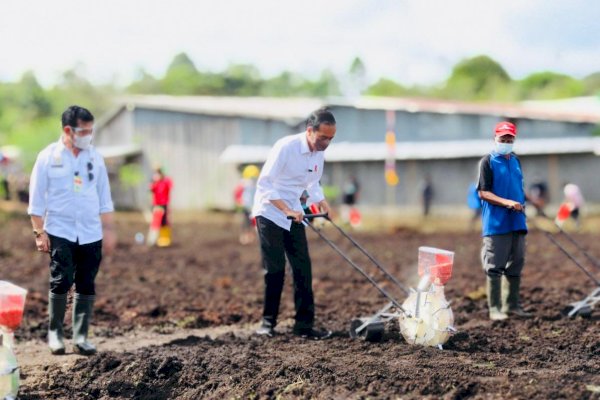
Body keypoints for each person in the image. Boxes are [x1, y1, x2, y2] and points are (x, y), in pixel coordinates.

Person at [28, 105, 117, 355]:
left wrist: (109, 229)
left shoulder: (94, 157)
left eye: (91, 130)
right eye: (84, 130)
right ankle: (56, 333)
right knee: (61, 280)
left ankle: (80, 336)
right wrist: (38, 232)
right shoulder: (47, 157)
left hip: (91, 231)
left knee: (86, 283)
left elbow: (104, 197)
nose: (89, 135)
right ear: (68, 130)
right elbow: (36, 200)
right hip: (59, 229)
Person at [252, 108, 336, 340]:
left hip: (295, 215)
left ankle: (304, 326)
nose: (326, 143)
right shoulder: (285, 147)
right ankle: (268, 324)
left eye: (331, 138)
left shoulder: (318, 153)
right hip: (270, 212)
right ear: (310, 131)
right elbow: (265, 184)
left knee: (302, 270)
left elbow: (312, 182)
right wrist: (286, 209)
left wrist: (321, 202)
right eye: (323, 138)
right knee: (275, 269)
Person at [477, 121, 531, 320]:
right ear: (495, 139)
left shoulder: (516, 161)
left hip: (517, 220)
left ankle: (512, 305)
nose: (506, 142)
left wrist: (526, 200)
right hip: (496, 222)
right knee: (495, 265)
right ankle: (495, 309)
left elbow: (518, 186)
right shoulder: (488, 161)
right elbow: (483, 192)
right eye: (503, 139)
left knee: (517, 262)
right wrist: (507, 202)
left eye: (510, 139)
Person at [148, 167, 173, 247]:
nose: (156, 175)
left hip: (164, 204)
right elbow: (151, 189)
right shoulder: (154, 184)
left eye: (158, 173)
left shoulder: (165, 182)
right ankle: (152, 240)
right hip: (157, 205)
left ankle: (164, 239)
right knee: (155, 222)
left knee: (164, 222)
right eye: (155, 174)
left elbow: (169, 185)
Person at [238, 165, 259, 245]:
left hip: (253, 207)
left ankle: (251, 237)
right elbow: (239, 194)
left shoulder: (255, 184)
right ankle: (245, 237)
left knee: (252, 223)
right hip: (247, 207)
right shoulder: (244, 184)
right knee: (246, 223)